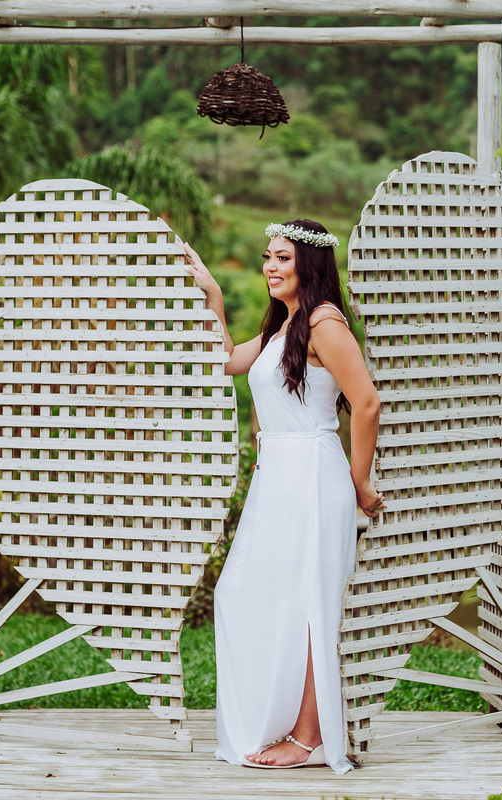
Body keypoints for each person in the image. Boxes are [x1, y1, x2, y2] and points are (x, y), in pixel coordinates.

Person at [182, 219, 383, 774]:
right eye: (267, 257)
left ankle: (309, 737)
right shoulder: (282, 328)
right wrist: (213, 296)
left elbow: (365, 403)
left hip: (314, 474)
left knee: (312, 605)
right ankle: (280, 720)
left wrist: (359, 480)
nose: (271, 267)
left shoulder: (323, 322)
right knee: (240, 592)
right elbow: (225, 361)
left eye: (283, 258)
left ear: (309, 266)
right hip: (278, 475)